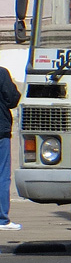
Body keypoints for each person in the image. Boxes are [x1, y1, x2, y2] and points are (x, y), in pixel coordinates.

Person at [0, 64, 22, 231]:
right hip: (0, 132)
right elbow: (13, 100)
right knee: (2, 175)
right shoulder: (1, 73)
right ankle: (2, 219)